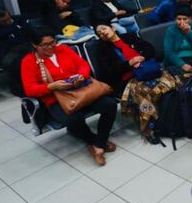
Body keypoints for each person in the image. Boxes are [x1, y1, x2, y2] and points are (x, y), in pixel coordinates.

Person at [20, 29, 118, 166]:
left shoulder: (63, 49)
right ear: (35, 45)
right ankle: (94, 141)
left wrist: (81, 76)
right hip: (56, 97)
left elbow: (82, 65)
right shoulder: (28, 62)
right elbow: (30, 89)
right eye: (45, 45)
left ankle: (99, 143)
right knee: (73, 119)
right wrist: (51, 87)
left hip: (82, 90)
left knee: (110, 104)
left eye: (52, 42)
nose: (51, 47)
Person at [94, 23, 178, 140]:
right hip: (129, 78)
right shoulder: (103, 50)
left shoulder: (130, 37)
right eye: (99, 33)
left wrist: (142, 57)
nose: (102, 32)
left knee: (171, 82)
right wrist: (129, 63)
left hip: (147, 70)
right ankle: (150, 128)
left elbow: (150, 49)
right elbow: (108, 72)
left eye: (103, 28)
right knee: (143, 92)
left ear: (113, 28)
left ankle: (173, 118)